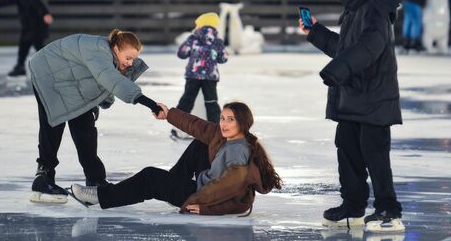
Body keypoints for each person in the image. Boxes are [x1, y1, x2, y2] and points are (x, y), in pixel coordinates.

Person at [299, 0, 404, 232]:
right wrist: (315, 32)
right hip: (352, 97)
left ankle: (388, 211)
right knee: (347, 151)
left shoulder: (375, 9)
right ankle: (353, 206)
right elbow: (346, 51)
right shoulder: (354, 10)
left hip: (374, 99)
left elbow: (369, 48)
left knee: (375, 155)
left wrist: (337, 71)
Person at [69, 101, 283, 216]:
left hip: (208, 196)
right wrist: (169, 113)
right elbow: (197, 125)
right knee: (201, 141)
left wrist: (201, 206)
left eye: (231, 120)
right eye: (222, 118)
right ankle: (171, 184)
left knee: (150, 177)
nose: (224, 124)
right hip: (206, 182)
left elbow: (226, 193)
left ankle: (99, 196)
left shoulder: (238, 154)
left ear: (243, 124)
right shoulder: (226, 136)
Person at [28, 29, 165, 204]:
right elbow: (110, 79)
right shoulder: (99, 52)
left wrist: (94, 101)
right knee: (53, 125)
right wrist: (150, 104)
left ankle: (95, 180)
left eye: (133, 59)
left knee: (85, 129)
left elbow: (102, 80)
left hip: (69, 79)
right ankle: (43, 178)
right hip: (47, 73)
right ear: (116, 49)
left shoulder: (110, 56)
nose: (131, 64)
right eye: (128, 58)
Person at [176, 12, 228, 125]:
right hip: (210, 76)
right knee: (211, 102)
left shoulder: (193, 38)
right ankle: (216, 130)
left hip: (193, 75)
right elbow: (223, 58)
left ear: (200, 25)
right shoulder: (217, 40)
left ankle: (177, 125)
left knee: (187, 100)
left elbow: (181, 53)